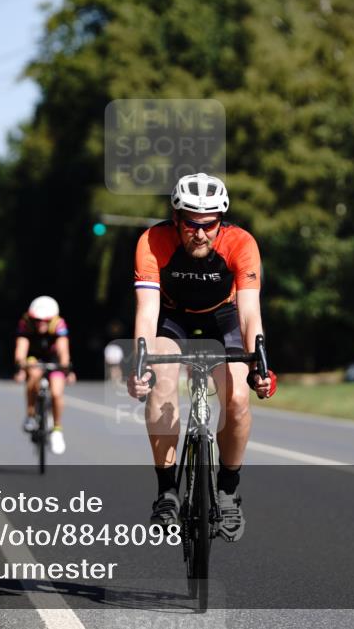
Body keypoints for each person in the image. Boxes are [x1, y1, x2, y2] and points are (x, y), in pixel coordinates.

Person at [126, 172, 277, 542]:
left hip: (222, 317)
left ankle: (227, 489)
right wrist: (140, 364)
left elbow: (249, 313)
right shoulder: (153, 241)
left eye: (210, 225)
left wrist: (259, 361)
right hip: (173, 318)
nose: (201, 233)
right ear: (176, 219)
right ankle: (166, 491)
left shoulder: (241, 243)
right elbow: (147, 310)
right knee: (161, 383)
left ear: (220, 221)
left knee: (238, 398)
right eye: (192, 224)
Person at [13, 296, 76, 455]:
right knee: (33, 374)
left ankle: (57, 429)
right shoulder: (26, 323)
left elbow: (63, 349)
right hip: (34, 356)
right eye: (37, 320)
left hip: (53, 358)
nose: (40, 323)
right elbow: (21, 348)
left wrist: (66, 368)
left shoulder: (58, 324)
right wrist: (21, 365)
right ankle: (30, 415)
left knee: (56, 393)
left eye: (45, 320)